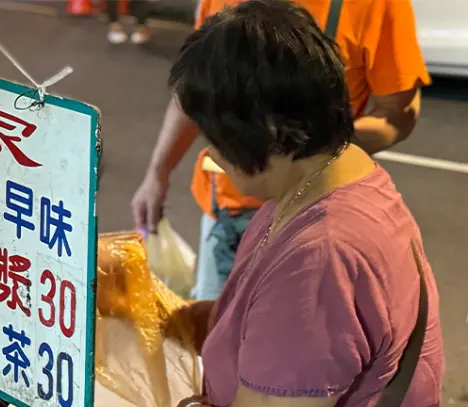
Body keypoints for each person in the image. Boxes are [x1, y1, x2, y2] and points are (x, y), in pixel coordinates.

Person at [165, 1, 449, 407]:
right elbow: (267, 332)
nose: (211, 155)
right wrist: (173, 320)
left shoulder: (323, 254)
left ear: (273, 132)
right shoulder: (322, 179)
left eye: (217, 138)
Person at [131, 0, 431, 300]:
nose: (213, 152)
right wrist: (158, 172)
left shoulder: (328, 248)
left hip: (306, 214)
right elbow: (195, 89)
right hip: (224, 212)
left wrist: (312, 147)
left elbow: (398, 113)